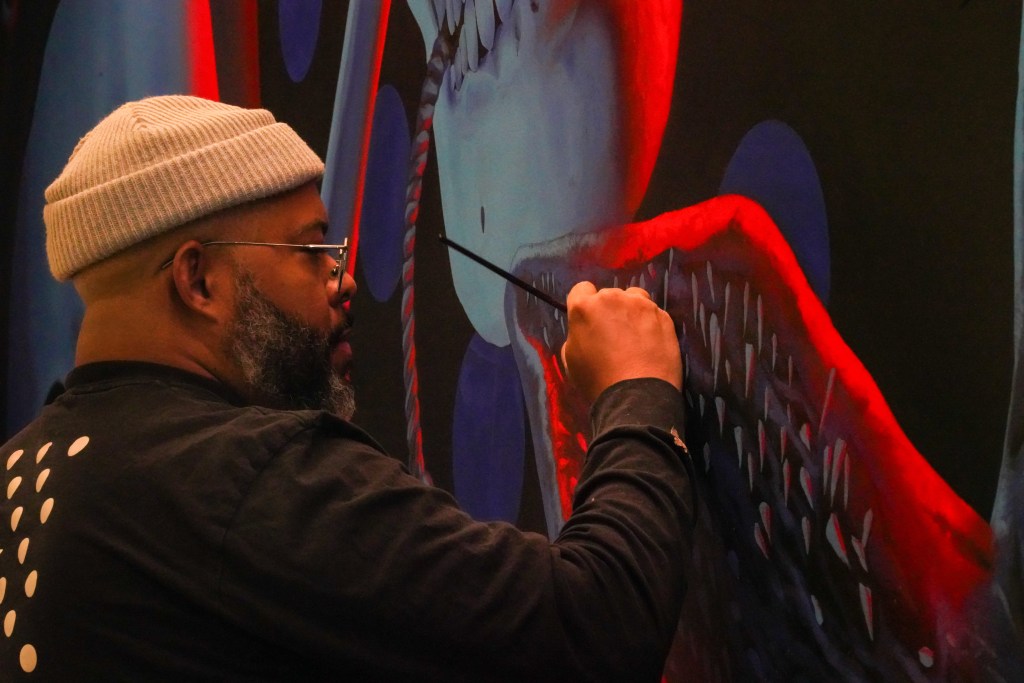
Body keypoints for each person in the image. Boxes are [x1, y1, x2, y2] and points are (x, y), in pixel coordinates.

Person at [0, 95, 694, 681]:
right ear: (198, 280)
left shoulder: (23, 472)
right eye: (312, 252)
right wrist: (635, 390)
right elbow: (593, 624)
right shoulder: (243, 479)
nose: (344, 281)